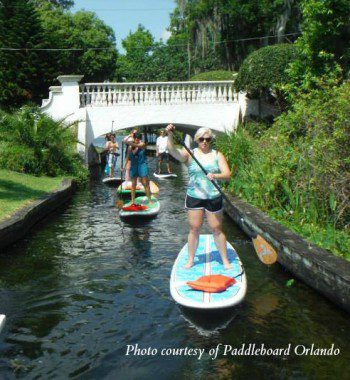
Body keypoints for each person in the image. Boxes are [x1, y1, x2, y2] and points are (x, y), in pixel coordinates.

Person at [165, 124, 232, 269]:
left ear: (211, 140)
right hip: (195, 195)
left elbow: (227, 175)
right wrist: (170, 134)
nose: (204, 142)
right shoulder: (189, 154)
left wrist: (215, 175)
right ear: (197, 140)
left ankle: (225, 260)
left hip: (213, 196)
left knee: (217, 228)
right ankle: (190, 260)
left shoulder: (217, 155)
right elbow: (171, 150)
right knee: (194, 228)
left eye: (207, 139)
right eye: (201, 139)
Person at [125, 132, 153, 206]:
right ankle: (132, 201)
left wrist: (130, 143)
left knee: (145, 183)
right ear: (134, 138)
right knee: (133, 184)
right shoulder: (130, 147)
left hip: (142, 165)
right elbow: (128, 157)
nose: (137, 139)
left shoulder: (142, 144)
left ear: (140, 139)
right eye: (135, 138)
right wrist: (124, 166)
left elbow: (135, 144)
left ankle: (149, 200)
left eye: (138, 138)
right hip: (134, 166)